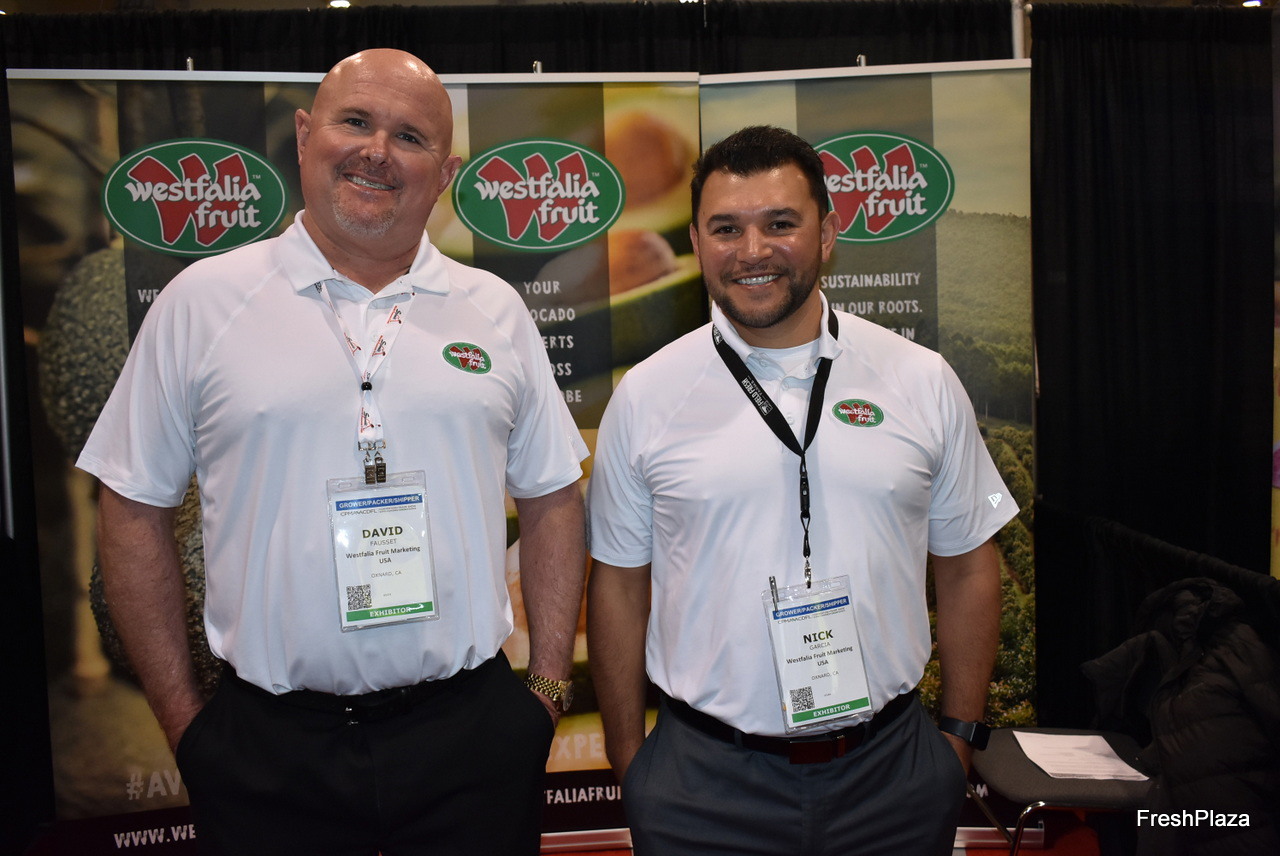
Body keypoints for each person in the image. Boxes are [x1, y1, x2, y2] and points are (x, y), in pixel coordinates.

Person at [77, 49, 587, 856]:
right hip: (269, 751)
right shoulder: (202, 302)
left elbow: (554, 495)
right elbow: (131, 506)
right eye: (355, 121)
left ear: (445, 173)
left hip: (472, 742)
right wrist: (184, 724)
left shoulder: (493, 309)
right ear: (305, 135)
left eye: (410, 136)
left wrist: (547, 688)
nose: (377, 151)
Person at [586, 125, 1017, 855]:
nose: (752, 250)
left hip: (892, 777)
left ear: (827, 233)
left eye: (780, 223)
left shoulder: (919, 379)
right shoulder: (648, 396)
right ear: (696, 242)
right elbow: (620, 585)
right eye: (727, 228)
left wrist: (958, 740)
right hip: (702, 789)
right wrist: (633, 764)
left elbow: (970, 563)